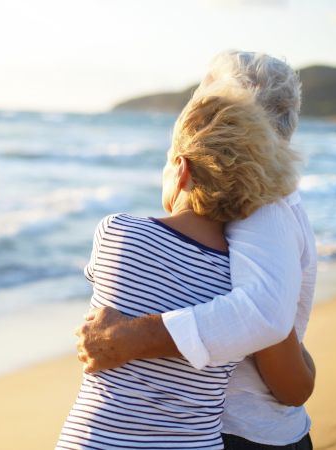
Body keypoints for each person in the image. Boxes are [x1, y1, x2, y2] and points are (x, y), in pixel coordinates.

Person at [74, 51, 317, 449]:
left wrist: (135, 336)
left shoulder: (260, 211)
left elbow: (267, 319)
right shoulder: (259, 204)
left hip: (243, 435)